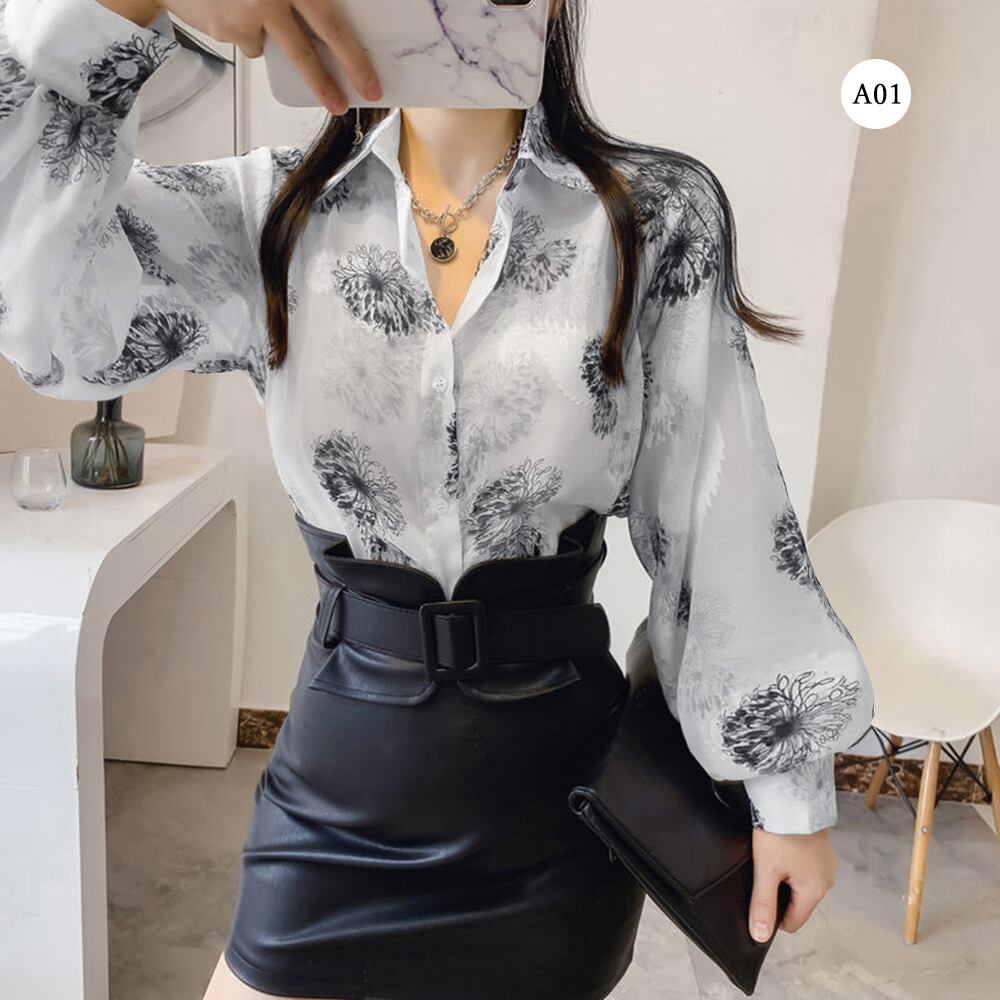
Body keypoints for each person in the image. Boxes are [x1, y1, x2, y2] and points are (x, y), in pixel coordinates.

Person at [0, 0, 875, 997]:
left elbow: (718, 519)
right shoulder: (266, 215)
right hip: (337, 792)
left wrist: (786, 790)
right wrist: (119, 3)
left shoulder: (653, 216)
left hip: (554, 809)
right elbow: (46, 320)